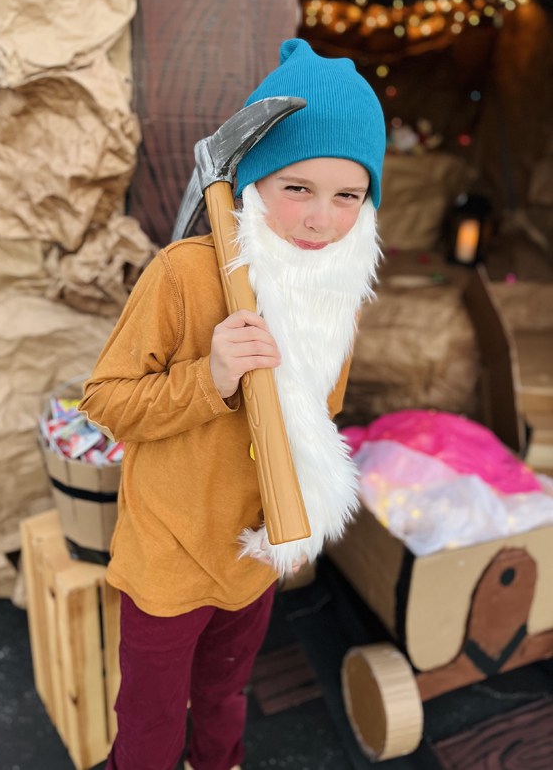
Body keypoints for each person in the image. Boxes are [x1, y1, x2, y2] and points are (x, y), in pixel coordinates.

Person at [79, 37, 385, 770]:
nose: (321, 220)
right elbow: (106, 400)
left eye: (348, 195)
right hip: (169, 557)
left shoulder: (336, 295)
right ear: (252, 179)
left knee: (223, 699)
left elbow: (324, 413)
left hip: (252, 555)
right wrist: (209, 377)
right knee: (150, 721)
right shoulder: (183, 276)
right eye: (297, 188)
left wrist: (294, 496)